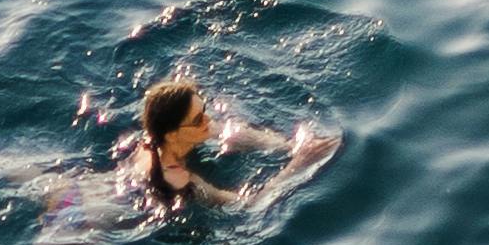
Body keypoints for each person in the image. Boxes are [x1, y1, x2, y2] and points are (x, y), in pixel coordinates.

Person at [119, 74, 334, 215]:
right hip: (108, 214)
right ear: (173, 135)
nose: (208, 121)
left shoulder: (161, 135)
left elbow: (235, 133)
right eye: (197, 120)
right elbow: (249, 205)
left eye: (203, 111)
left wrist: (290, 146)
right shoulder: (180, 179)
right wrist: (298, 164)